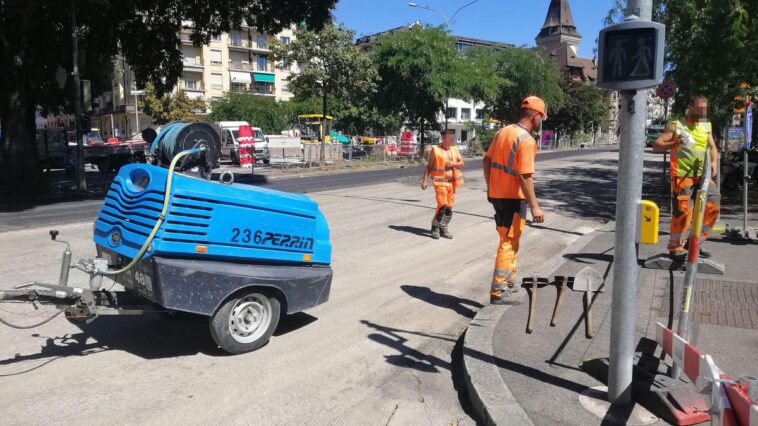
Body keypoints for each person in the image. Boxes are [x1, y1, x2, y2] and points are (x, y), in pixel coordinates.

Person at [483, 96, 546, 304]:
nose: (541, 122)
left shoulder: (503, 131)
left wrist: (490, 186)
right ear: (536, 116)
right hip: (513, 198)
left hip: (497, 195)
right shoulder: (526, 140)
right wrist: (535, 206)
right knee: (508, 243)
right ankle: (499, 291)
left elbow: (487, 160)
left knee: (509, 240)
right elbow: (525, 176)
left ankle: (510, 281)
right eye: (542, 118)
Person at [653, 95, 720, 261]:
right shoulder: (676, 126)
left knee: (713, 205)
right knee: (683, 212)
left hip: (702, 175)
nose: (703, 113)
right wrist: (674, 144)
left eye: (705, 110)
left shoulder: (706, 125)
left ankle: (694, 244)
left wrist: (714, 162)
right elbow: (656, 145)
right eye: (699, 109)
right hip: (682, 176)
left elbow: (712, 147)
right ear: (690, 107)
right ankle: (675, 247)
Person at [421, 129, 464, 239]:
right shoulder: (436, 150)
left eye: (453, 138)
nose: (452, 140)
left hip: (452, 183)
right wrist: (424, 180)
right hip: (440, 182)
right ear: (443, 138)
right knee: (442, 205)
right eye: (450, 138)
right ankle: (435, 227)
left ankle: (443, 227)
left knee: (449, 207)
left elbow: (462, 164)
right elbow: (429, 166)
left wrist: (453, 163)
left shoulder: (454, 149)